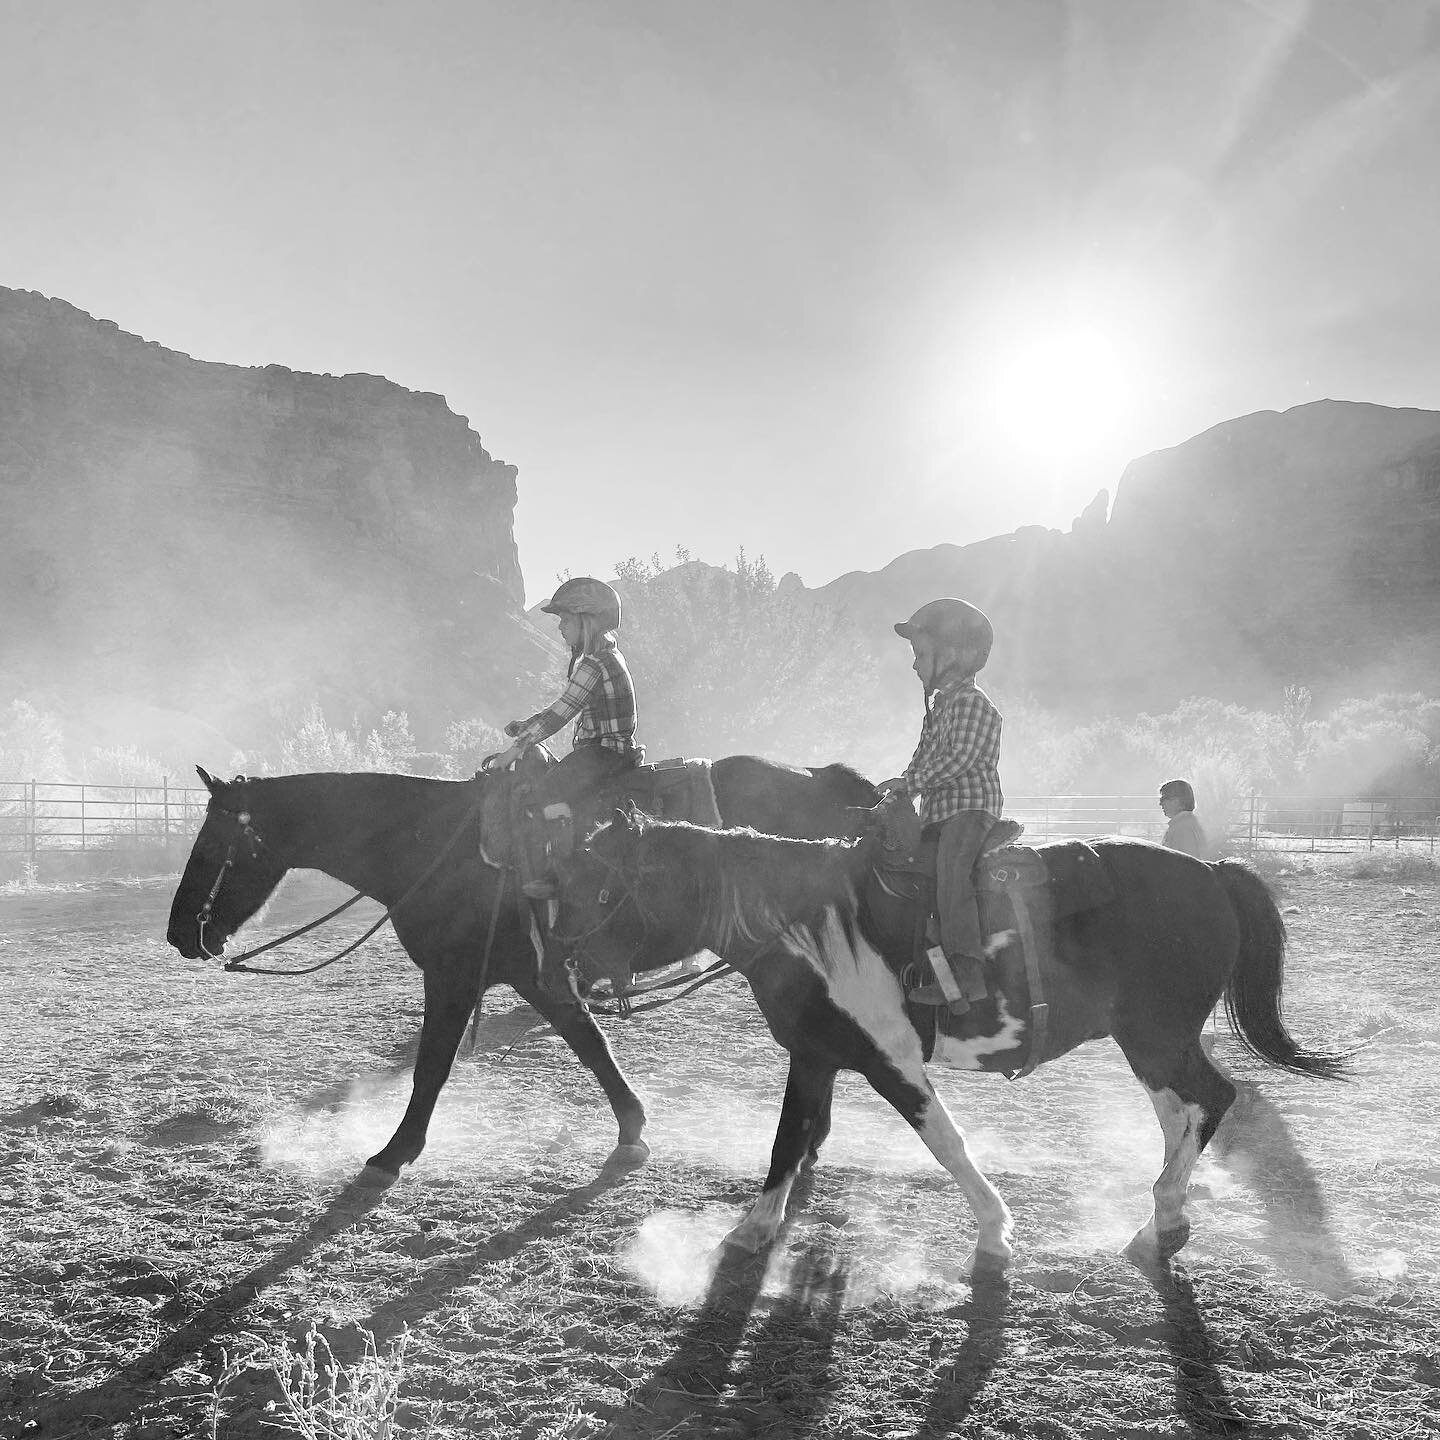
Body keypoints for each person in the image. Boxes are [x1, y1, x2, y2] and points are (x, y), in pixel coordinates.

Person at [487, 576, 644, 895]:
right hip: (610, 751)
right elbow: (564, 707)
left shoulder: (595, 663)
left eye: (566, 619)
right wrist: (527, 725)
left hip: (603, 753)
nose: (561, 627)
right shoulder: (607, 657)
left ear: (587, 622)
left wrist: (510, 754)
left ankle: (560, 874)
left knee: (547, 790)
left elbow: (561, 713)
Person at [885, 597, 1004, 1012]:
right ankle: (929, 965)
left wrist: (911, 782)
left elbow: (960, 760)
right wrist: (897, 793)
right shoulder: (936, 710)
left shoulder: (973, 703)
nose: (915, 665)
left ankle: (969, 970)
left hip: (969, 810)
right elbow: (920, 759)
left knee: (953, 868)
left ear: (953, 654)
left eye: (920, 654)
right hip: (938, 814)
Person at [1159, 778, 1213, 860]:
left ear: (1176, 801)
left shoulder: (1183, 828)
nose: (1160, 803)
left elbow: (1188, 865)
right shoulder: (1184, 824)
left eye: (1163, 799)